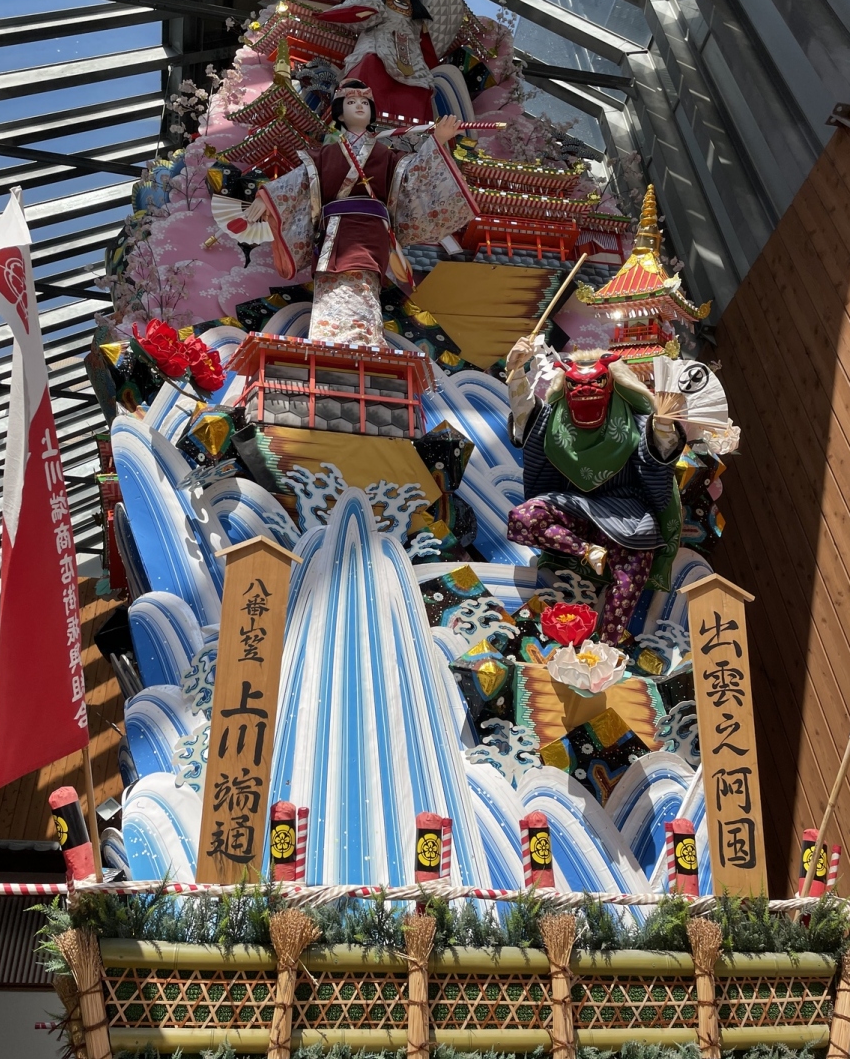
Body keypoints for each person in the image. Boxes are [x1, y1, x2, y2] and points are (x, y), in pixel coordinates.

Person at [245, 80, 476, 346]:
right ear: (340, 114)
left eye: (365, 103)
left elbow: (415, 175)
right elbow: (299, 181)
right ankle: (328, 343)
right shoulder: (325, 155)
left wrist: (439, 139)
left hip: (371, 231)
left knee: (365, 287)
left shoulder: (387, 155)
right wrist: (268, 197)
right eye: (352, 102)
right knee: (331, 288)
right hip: (335, 231)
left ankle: (363, 342)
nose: (359, 106)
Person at [504, 338, 685, 646]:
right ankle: (587, 552)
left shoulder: (636, 420)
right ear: (565, 386)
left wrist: (665, 423)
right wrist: (516, 370)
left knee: (633, 569)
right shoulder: (553, 418)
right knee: (523, 517)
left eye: (597, 382)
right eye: (575, 385)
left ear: (612, 384)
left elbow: (660, 450)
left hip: (625, 513)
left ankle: (607, 645)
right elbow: (525, 414)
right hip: (572, 507)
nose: (585, 390)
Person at [316, 0, 465, 126]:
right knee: (370, 68)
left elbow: (429, 32)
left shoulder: (418, 7)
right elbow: (354, 12)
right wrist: (373, 13)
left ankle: (411, 130)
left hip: (409, 51)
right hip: (377, 41)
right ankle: (360, 122)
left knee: (419, 85)